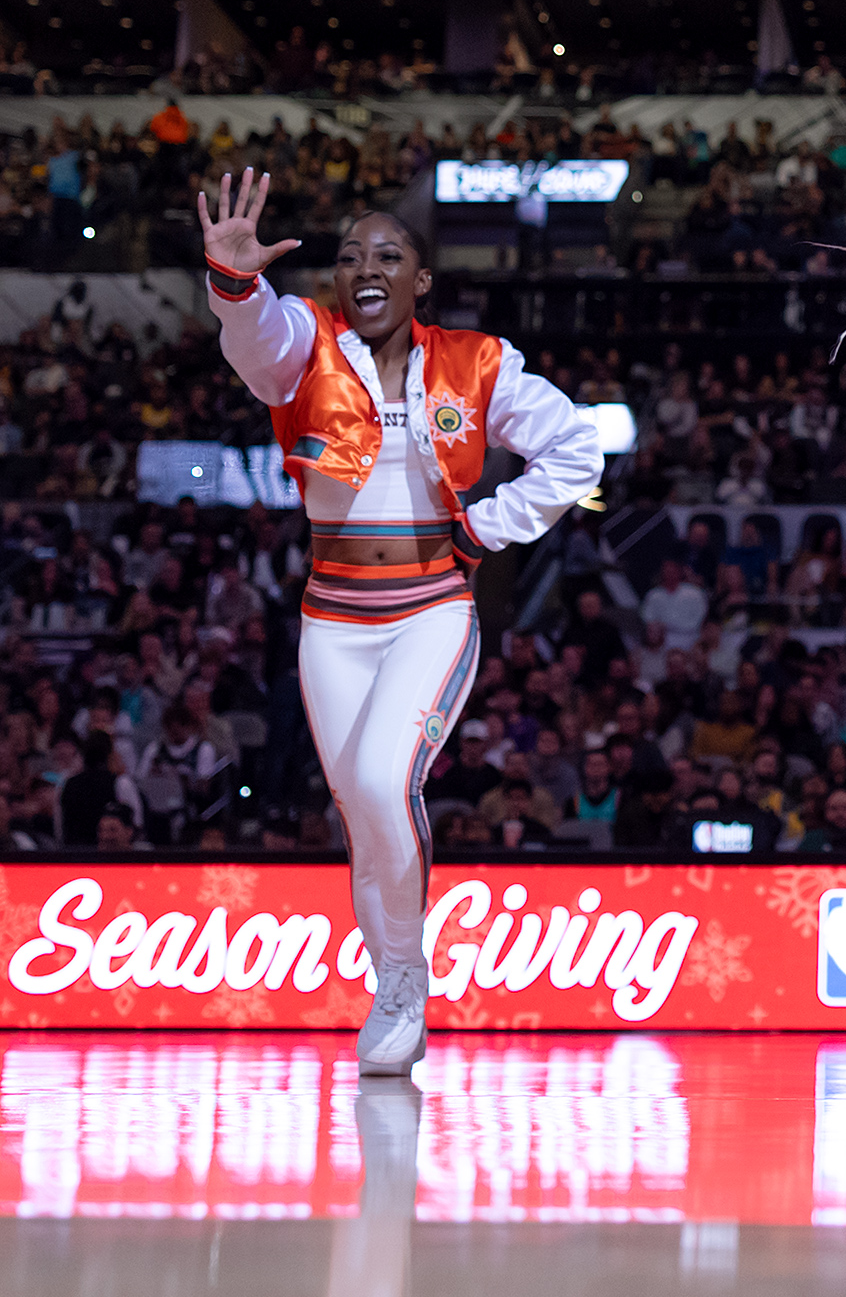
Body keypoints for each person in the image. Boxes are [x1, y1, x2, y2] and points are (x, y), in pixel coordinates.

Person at [203, 169, 601, 1077]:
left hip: (431, 609)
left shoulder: (476, 361)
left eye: (387, 255)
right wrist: (235, 282)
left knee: (387, 782)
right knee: (359, 811)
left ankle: (404, 978)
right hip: (332, 622)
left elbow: (577, 447)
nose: (365, 268)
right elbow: (256, 343)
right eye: (350, 257)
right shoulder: (306, 344)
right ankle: (391, 979)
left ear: (421, 280)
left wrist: (487, 526)